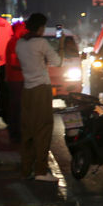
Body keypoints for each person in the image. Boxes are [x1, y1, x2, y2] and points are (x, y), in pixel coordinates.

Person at [16, 13, 63, 182]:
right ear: (40, 27)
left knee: (27, 130)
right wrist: (61, 46)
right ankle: (41, 171)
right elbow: (57, 62)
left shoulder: (20, 44)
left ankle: (25, 169)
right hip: (41, 89)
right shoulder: (41, 43)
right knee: (43, 129)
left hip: (27, 90)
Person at [5, 21, 27, 141]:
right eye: (23, 28)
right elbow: (14, 62)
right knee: (16, 106)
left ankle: (16, 131)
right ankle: (15, 132)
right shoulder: (14, 43)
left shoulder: (17, 42)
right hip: (15, 79)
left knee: (17, 106)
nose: (25, 30)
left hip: (18, 78)